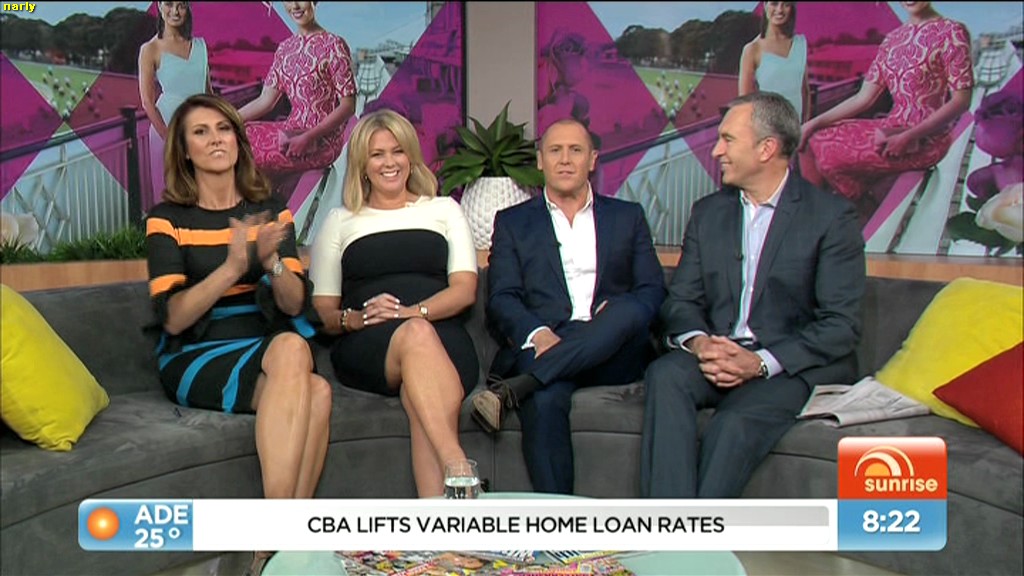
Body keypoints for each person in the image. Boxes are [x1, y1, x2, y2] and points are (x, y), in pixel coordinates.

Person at [640, 91, 865, 498]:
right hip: (720, 353)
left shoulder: (831, 217)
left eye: (728, 139)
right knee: (665, 375)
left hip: (788, 365)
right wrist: (702, 343)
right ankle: (670, 523)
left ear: (767, 148)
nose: (716, 151)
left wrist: (759, 363)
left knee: (732, 423)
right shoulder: (708, 213)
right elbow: (681, 301)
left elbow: (840, 325)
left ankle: (703, 532)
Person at [145, 94, 331, 574]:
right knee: (293, 353)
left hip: (263, 346)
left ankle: (274, 555)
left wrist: (270, 261)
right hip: (197, 352)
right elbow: (173, 319)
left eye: (224, 129)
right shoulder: (167, 219)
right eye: (201, 132)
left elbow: (293, 304)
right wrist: (231, 267)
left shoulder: (272, 212)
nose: (216, 139)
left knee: (317, 390)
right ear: (184, 150)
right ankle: (279, 540)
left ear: (237, 140)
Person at [476, 117, 666, 494]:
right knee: (544, 400)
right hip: (546, 342)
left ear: (592, 160)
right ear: (540, 160)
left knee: (628, 309)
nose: (565, 159)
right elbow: (502, 297)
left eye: (575, 150)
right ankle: (560, 520)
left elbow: (652, 291)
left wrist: (614, 316)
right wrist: (538, 333)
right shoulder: (513, 222)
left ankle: (521, 385)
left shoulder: (627, 217)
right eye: (555, 150)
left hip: (613, 348)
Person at [308, 109, 478, 498]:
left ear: (411, 157)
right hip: (369, 343)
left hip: (443, 337)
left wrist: (411, 313)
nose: (389, 162)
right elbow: (322, 312)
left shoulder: (443, 209)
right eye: (377, 154)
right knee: (416, 336)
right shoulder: (339, 221)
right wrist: (356, 318)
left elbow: (464, 290)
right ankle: (457, 465)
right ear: (362, 166)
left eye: (397, 151)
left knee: (420, 384)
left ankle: (439, 521)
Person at [798, 1, 974, 211]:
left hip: (927, 138)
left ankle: (856, 205)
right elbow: (863, 98)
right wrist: (813, 123)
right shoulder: (893, 39)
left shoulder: (952, 32)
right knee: (808, 139)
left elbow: (961, 101)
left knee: (825, 151)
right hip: (892, 128)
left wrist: (909, 136)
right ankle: (835, 210)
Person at [239, 1, 357, 195]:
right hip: (291, 129)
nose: (294, 6)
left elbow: (348, 106)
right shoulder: (285, 48)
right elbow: (265, 100)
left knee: (237, 153)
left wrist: (309, 137)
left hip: (322, 139)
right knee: (237, 134)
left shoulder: (334, 44)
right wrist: (225, 120)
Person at [138, 1, 211, 206]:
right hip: (167, 129)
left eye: (181, 5)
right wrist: (168, 138)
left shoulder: (200, 46)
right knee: (170, 196)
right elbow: (147, 102)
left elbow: (208, 93)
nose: (175, 11)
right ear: (159, 6)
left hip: (200, 131)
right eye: (169, 4)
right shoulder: (150, 49)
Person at [738, 2, 809, 122]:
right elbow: (744, 103)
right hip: (768, 127)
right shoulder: (752, 49)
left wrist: (806, 124)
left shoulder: (800, 44)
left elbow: (805, 91)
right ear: (765, 5)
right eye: (774, 3)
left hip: (797, 127)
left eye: (786, 4)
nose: (780, 10)